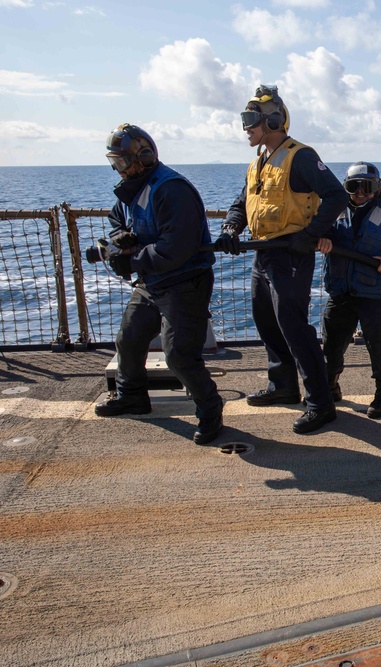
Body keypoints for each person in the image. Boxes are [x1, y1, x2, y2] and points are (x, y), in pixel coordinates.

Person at [216, 85, 349, 434]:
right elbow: (241, 202)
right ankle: (283, 385)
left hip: (290, 254)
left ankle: (321, 403)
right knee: (267, 321)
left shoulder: (300, 156)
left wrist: (309, 235)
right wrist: (231, 228)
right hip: (263, 253)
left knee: (294, 328)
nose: (245, 127)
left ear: (273, 121)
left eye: (250, 120)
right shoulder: (259, 161)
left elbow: (336, 196)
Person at [95, 123, 224, 445]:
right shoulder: (133, 188)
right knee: (129, 338)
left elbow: (176, 247)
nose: (119, 170)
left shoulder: (171, 189)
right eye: (115, 164)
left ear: (144, 157)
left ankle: (210, 410)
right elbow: (117, 219)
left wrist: (131, 260)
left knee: (179, 354)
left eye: (122, 163)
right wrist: (118, 237)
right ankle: (132, 396)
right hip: (152, 281)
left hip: (184, 283)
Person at [317, 162, 381, 419]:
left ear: (378, 189)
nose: (361, 193)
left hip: (373, 295)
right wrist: (322, 237)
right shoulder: (334, 213)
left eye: (367, 187)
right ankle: (331, 388)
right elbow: (315, 231)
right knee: (331, 346)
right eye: (354, 187)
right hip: (341, 293)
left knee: (377, 345)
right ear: (345, 188)